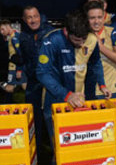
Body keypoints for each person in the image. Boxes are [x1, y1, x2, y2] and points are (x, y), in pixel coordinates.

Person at [36, 10, 110, 147]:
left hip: (80, 102)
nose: (82, 44)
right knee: (59, 149)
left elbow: (96, 63)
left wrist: (102, 84)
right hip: (54, 101)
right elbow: (42, 73)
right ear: (66, 31)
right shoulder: (51, 40)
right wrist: (67, 95)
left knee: (79, 145)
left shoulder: (92, 39)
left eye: (84, 39)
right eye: (77, 40)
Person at [8, 6, 54, 149]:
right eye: (29, 17)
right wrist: (17, 58)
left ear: (40, 16)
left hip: (51, 83)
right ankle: (37, 148)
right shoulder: (22, 36)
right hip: (33, 83)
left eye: (35, 16)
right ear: (24, 19)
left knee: (52, 116)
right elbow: (24, 58)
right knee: (34, 118)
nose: (33, 20)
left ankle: (55, 146)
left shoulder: (51, 32)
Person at [85, 0, 116, 99]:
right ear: (86, 19)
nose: (96, 21)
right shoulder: (81, 36)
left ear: (104, 16)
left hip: (111, 90)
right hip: (88, 91)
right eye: (92, 18)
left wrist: (101, 47)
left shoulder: (114, 33)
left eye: (99, 17)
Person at [0, 20, 27, 97]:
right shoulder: (11, 37)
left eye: (2, 29)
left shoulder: (15, 37)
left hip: (15, 67)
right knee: (19, 87)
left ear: (8, 26)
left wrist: (19, 70)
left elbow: (20, 54)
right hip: (13, 66)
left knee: (13, 88)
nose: (1, 32)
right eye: (0, 30)